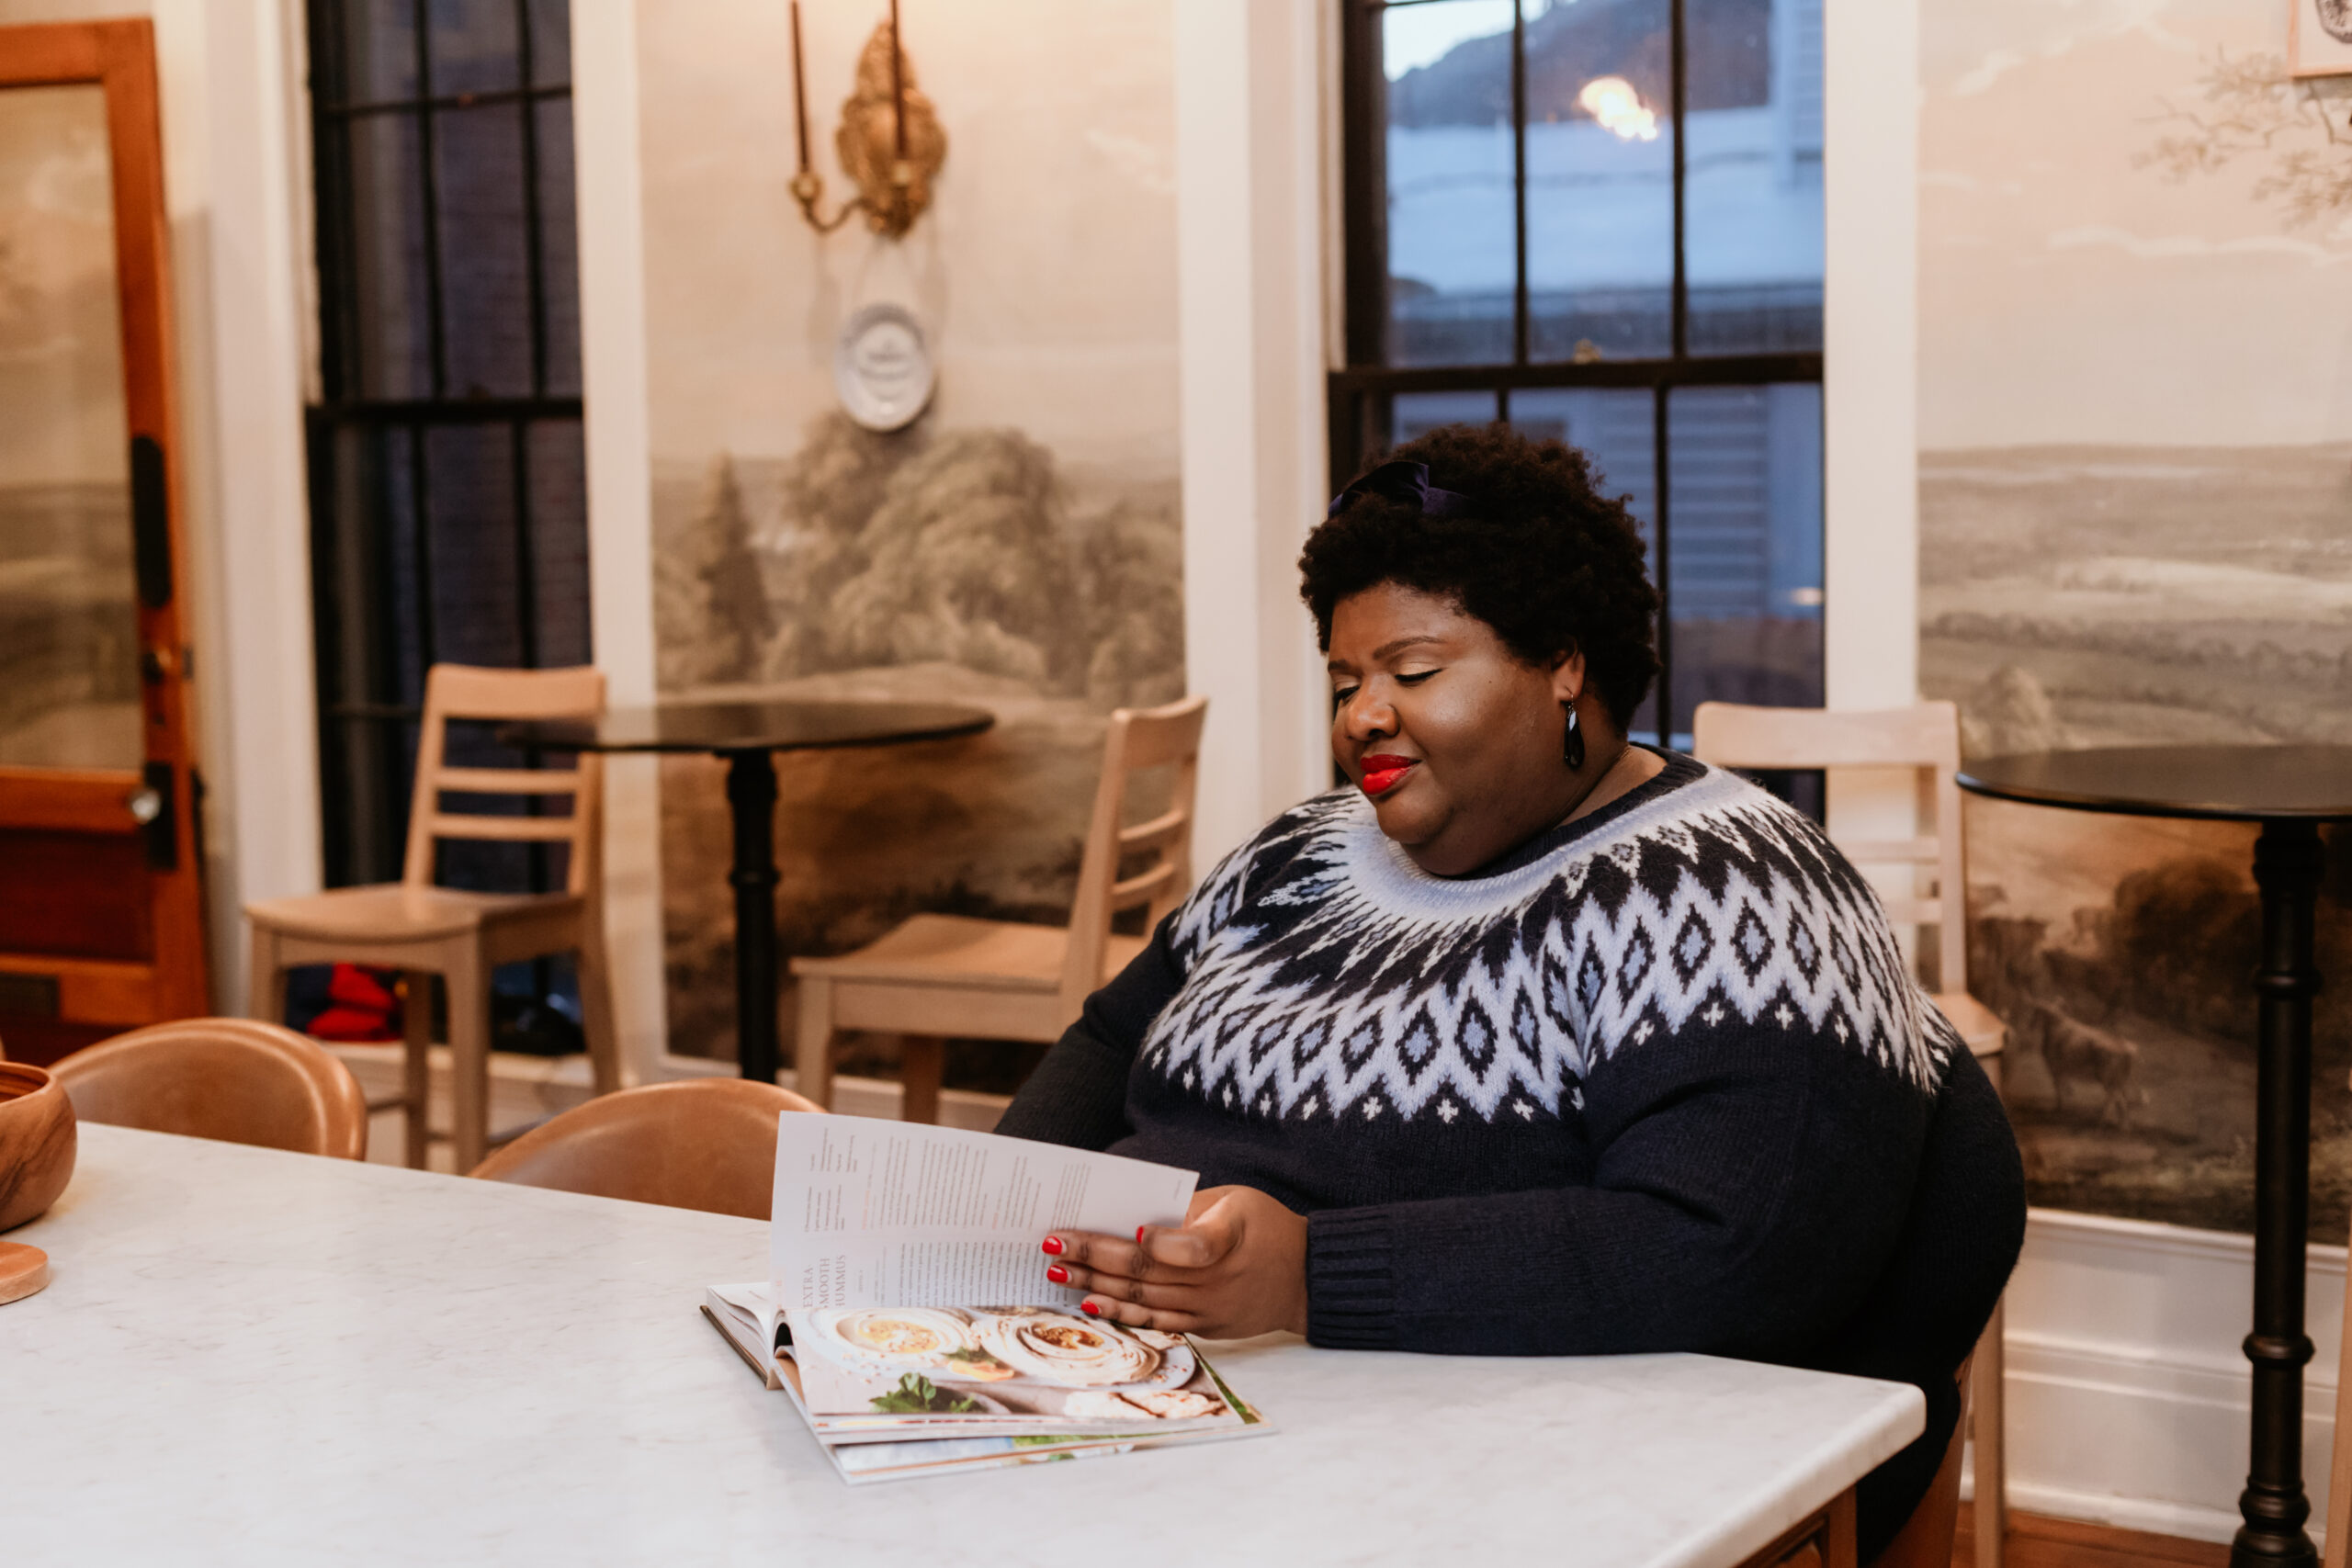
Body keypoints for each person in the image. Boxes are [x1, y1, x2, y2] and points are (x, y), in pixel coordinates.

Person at [997, 422, 2024, 1557]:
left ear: (1564, 664)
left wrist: (1304, 1277)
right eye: (1344, 680)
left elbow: (1727, 1254)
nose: (1360, 716)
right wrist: (987, 1221)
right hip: (1139, 1409)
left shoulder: (1736, 888)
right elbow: (1107, 1042)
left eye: (1414, 672)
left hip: (1497, 1473)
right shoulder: (1297, 851)